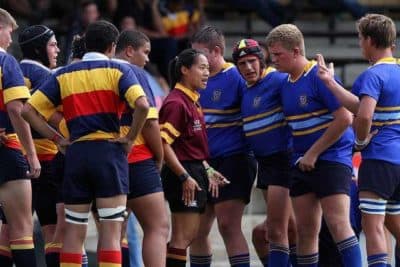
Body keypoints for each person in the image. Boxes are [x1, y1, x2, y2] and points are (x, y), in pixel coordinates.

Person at [21, 20, 149, 267]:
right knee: (111, 233)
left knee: (73, 233)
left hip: (76, 154)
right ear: (112, 47)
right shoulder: (119, 71)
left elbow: (28, 110)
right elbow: (142, 105)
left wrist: (57, 138)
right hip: (109, 154)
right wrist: (131, 138)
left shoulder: (63, 74)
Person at [266, 24, 362, 267]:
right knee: (306, 231)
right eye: (272, 55)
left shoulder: (319, 76)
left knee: (339, 224)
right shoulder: (285, 83)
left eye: (278, 55)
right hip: (301, 161)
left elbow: (344, 118)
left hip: (331, 159)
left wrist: (314, 153)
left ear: (296, 51)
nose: (274, 60)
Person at [316, 13, 400, 267]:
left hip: (379, 159)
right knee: (396, 225)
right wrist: (331, 83)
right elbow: (362, 104)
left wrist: (361, 141)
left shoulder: (372, 75)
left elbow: (363, 115)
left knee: (372, 225)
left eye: (361, 39)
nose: (360, 44)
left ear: (370, 41)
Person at [190, 25, 257, 267]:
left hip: (234, 159)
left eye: (199, 54)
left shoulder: (237, 78)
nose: (194, 59)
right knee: (196, 230)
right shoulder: (194, 79)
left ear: (216, 51)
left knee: (228, 225)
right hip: (202, 163)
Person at [232, 38, 296, 267]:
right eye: (242, 64)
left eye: (252, 61)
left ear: (262, 60)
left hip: (284, 160)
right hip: (265, 165)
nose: (248, 68)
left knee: (278, 231)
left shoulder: (278, 80)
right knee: (268, 233)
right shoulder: (246, 91)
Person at [160, 48, 226, 267]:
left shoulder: (193, 100)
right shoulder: (176, 103)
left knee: (187, 236)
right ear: (185, 70)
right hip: (183, 174)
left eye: (208, 68)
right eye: (202, 67)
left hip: (195, 170)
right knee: (183, 236)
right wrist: (184, 177)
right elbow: (163, 144)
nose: (207, 73)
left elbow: (190, 146)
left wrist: (207, 169)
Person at [113, 29, 169, 267]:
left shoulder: (93, 71)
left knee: (114, 230)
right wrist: (159, 156)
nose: (147, 59)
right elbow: (150, 121)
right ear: (129, 50)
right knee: (157, 227)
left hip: (104, 159)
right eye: (145, 52)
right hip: (136, 157)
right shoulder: (134, 72)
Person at [18, 24, 62, 267]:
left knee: (12, 229)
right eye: (52, 44)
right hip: (46, 163)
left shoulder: (12, 70)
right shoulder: (48, 77)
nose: (57, 50)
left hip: (16, 160)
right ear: (38, 49)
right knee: (53, 230)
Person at [0, 8, 41, 267]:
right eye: (8, 31)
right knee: (21, 226)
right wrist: (31, 153)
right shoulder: (6, 61)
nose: (10, 37)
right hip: (7, 149)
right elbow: (17, 109)